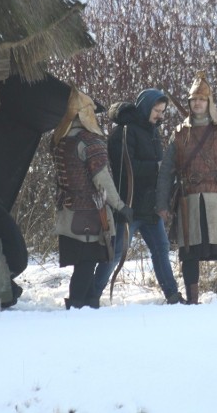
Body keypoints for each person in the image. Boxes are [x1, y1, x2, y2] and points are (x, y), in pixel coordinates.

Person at [155, 72, 217, 303]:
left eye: (202, 99)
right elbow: (166, 171)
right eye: (193, 99)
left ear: (209, 102)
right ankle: (192, 299)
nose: (197, 103)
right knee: (189, 251)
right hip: (189, 199)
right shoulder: (180, 134)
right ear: (189, 102)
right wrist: (162, 204)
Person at [88, 89, 185, 305]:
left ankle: (172, 295)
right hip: (128, 204)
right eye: (156, 110)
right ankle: (92, 296)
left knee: (161, 249)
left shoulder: (152, 131)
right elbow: (126, 166)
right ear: (145, 107)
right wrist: (159, 167)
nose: (160, 115)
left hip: (150, 205)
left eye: (162, 111)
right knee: (116, 253)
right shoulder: (123, 132)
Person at [51, 86, 133, 309]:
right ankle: (78, 305)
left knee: (83, 262)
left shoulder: (60, 140)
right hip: (90, 212)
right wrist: (120, 205)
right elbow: (102, 178)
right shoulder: (90, 141)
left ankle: (86, 303)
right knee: (87, 261)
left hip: (68, 211)